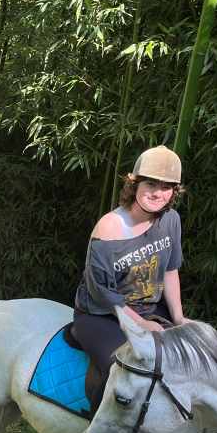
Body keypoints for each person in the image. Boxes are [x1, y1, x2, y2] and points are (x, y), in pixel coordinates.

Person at [71, 145, 187, 411]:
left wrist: (179, 318)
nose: (157, 193)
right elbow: (102, 292)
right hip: (102, 314)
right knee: (123, 369)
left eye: (166, 187)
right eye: (150, 184)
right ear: (134, 184)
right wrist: (141, 324)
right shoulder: (110, 227)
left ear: (174, 192)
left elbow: (170, 270)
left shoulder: (171, 220)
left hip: (149, 309)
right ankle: (100, 431)